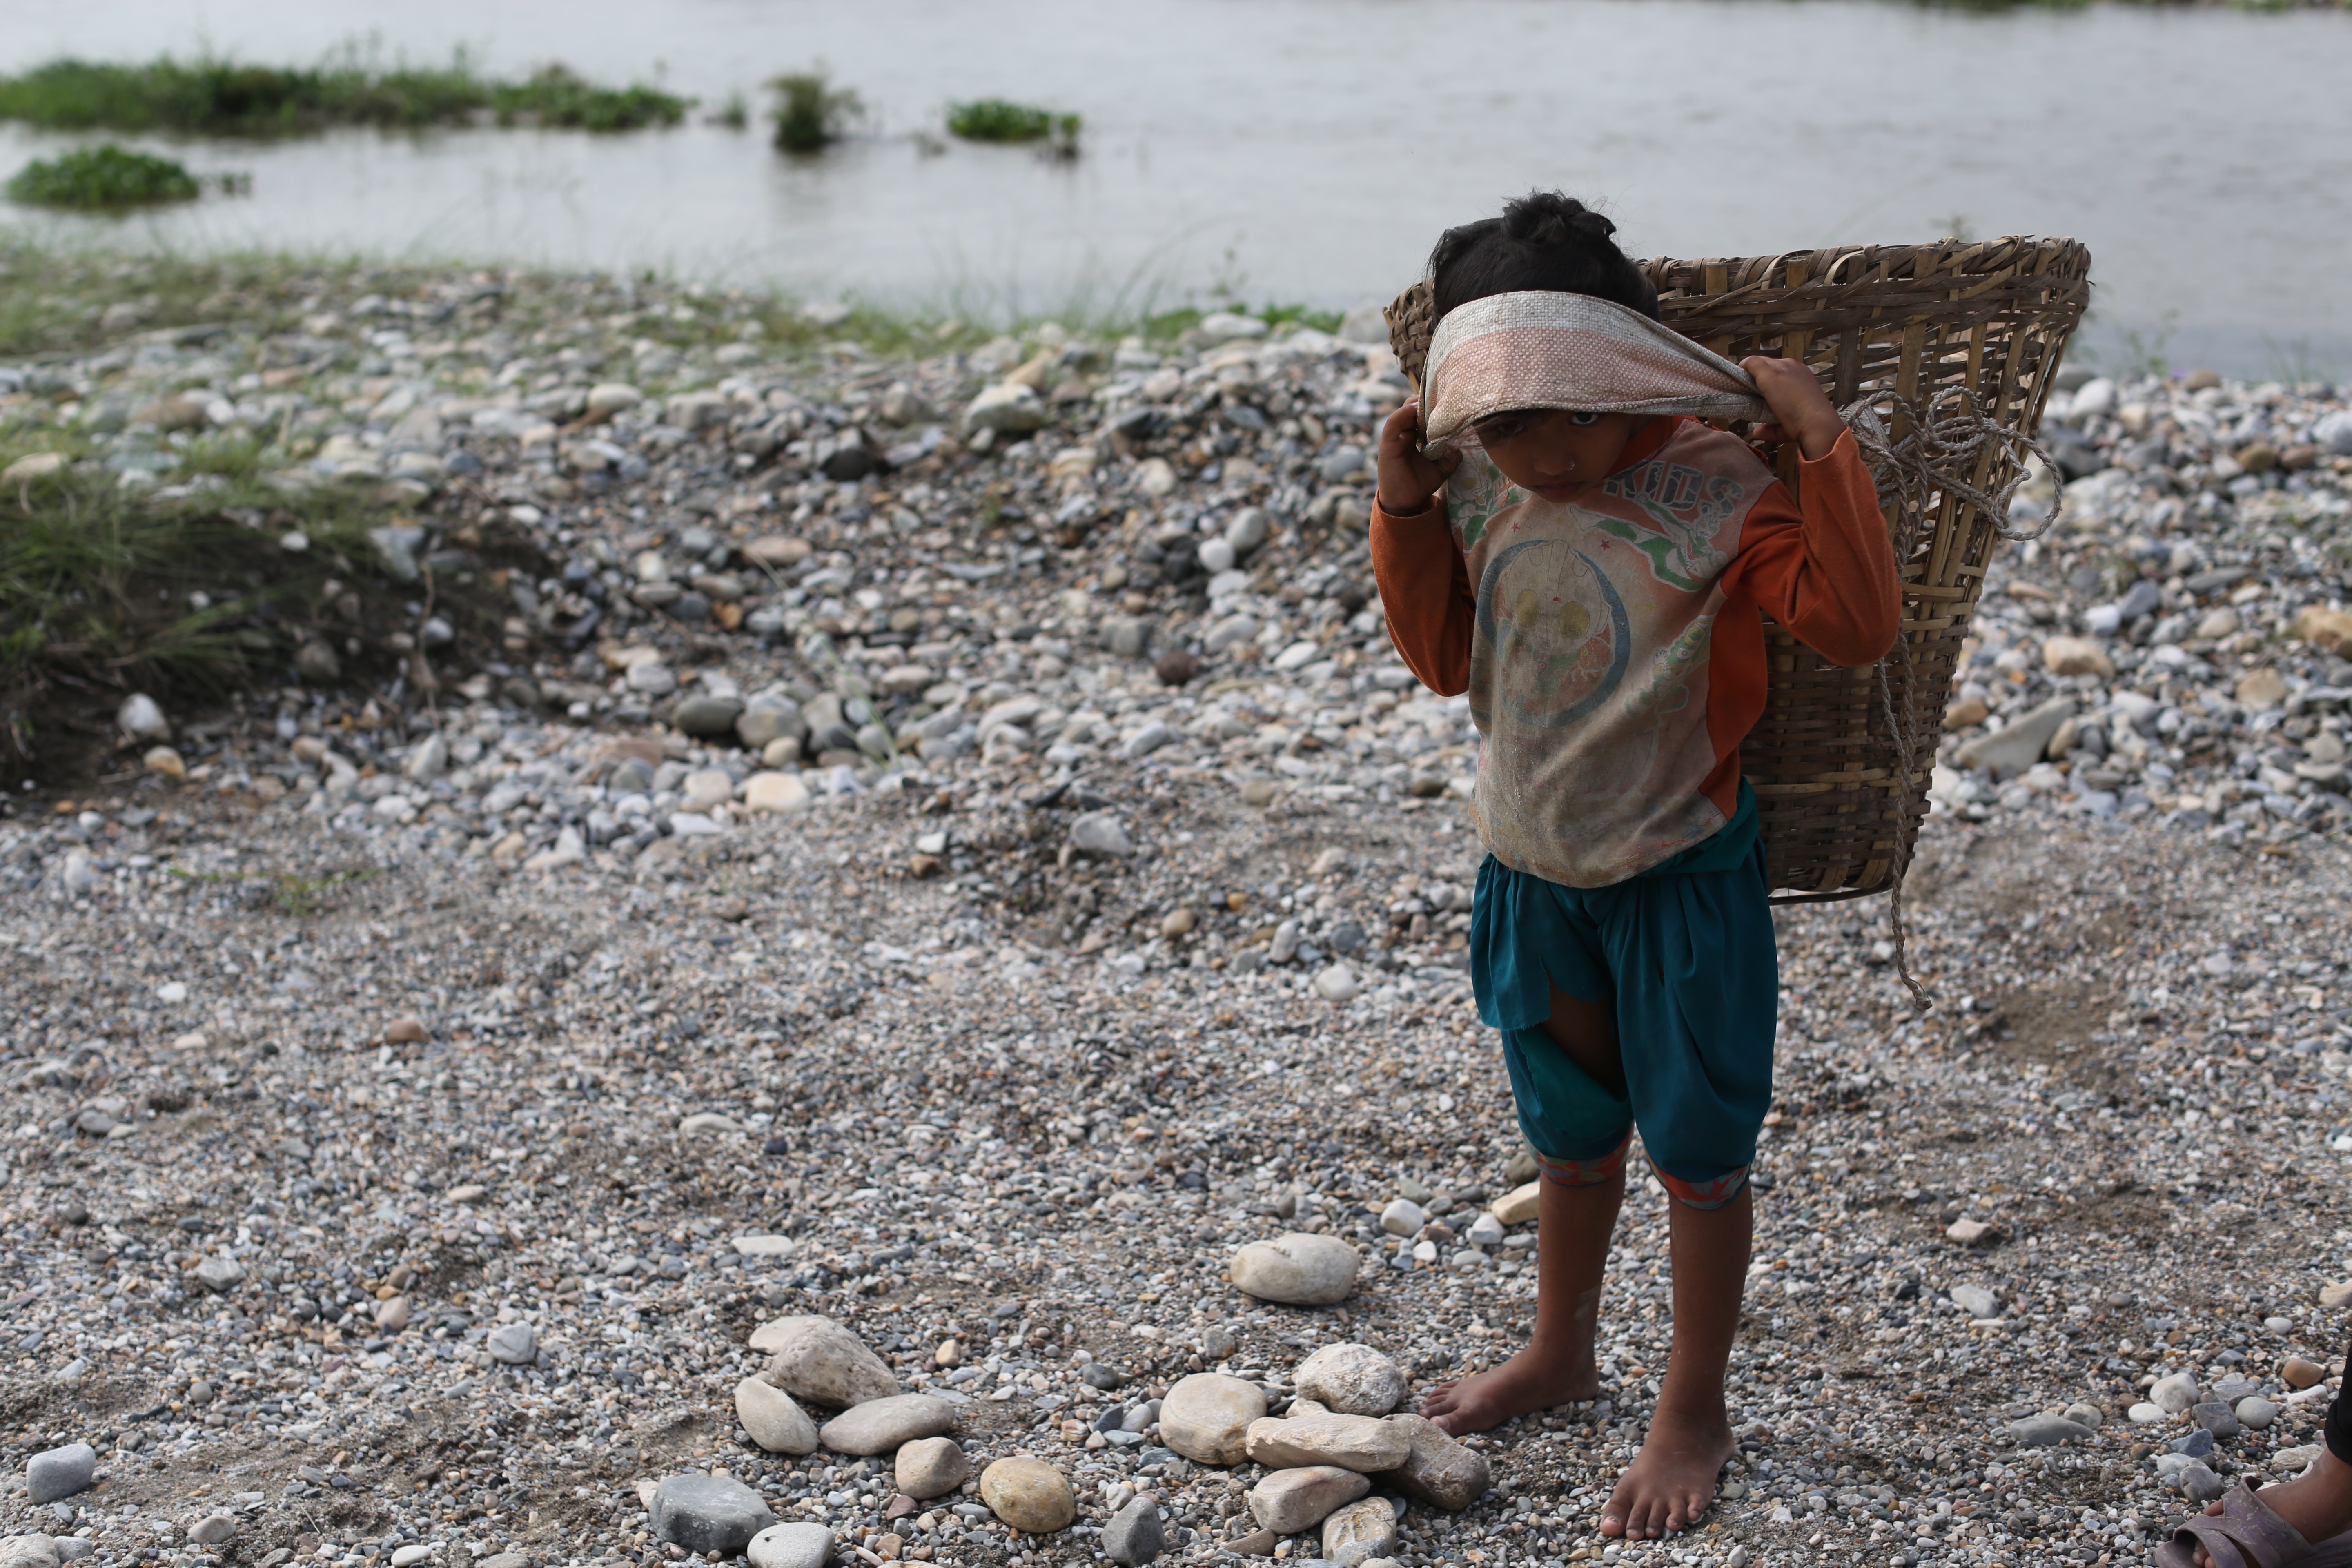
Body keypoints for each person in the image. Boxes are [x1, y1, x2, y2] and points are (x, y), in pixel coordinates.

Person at [1369, 191, 1900, 1541]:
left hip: (1679, 878)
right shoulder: (1477, 483)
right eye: (1505, 422)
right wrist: (1405, 506)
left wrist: (1821, 446)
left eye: (1570, 416)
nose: (1541, 451)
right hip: (1533, 873)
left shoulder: (1717, 483)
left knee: (1700, 1151)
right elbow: (1443, 660)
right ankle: (1562, 1351)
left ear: (1627, 376)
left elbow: (1853, 626)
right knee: (1571, 1135)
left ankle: (1694, 1407)